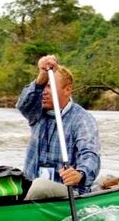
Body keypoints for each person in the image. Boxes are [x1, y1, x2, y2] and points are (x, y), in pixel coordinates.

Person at [16, 55, 101, 200]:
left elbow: (90, 154)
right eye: (43, 86)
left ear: (67, 90)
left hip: (67, 191)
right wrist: (42, 77)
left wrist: (80, 173)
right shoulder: (36, 111)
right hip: (30, 187)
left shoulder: (82, 119)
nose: (44, 91)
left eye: (49, 86)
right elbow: (24, 103)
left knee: (40, 187)